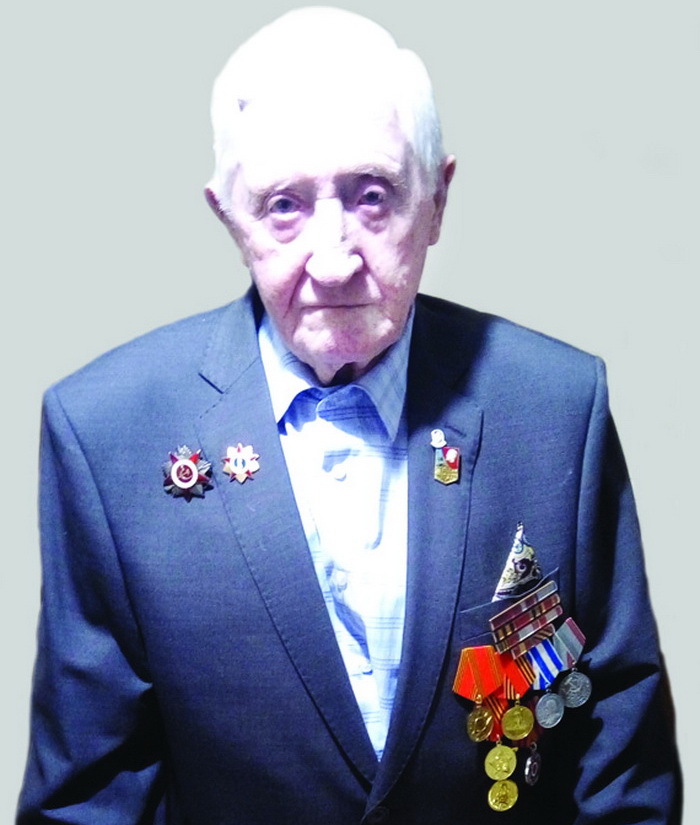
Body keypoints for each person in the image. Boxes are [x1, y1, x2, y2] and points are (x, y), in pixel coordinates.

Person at [17, 7, 681, 824]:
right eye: (283, 206)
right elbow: (90, 797)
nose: (332, 260)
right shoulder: (104, 434)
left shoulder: (557, 406)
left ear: (437, 200)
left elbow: (620, 763)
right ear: (228, 217)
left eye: (372, 197)